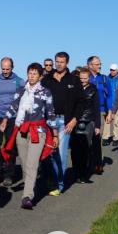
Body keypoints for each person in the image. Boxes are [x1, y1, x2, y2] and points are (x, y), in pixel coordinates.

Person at [0, 63, 58, 210]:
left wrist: (55, 134)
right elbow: (13, 106)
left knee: (32, 164)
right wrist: (5, 120)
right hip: (21, 131)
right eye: (30, 73)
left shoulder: (45, 92)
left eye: (34, 74)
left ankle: (27, 196)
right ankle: (31, 184)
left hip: (38, 132)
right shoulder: (21, 91)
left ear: (40, 76)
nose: (31, 76)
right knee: (26, 165)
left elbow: (51, 114)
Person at [41, 52, 81, 196]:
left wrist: (74, 120)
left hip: (65, 122)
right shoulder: (46, 79)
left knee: (60, 153)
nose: (59, 64)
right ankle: (51, 180)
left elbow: (81, 102)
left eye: (62, 62)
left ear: (67, 63)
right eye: (57, 61)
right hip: (48, 122)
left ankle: (59, 184)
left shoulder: (74, 80)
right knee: (48, 152)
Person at [0, 57, 25, 186]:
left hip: (13, 117)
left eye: (8, 69)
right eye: (3, 69)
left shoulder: (19, 82)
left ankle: (9, 174)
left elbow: (23, 101)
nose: (5, 71)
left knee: (10, 146)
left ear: (12, 67)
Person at [72, 68, 102, 183]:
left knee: (85, 148)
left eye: (85, 78)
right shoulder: (74, 89)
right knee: (75, 149)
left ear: (89, 78)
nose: (83, 80)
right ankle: (76, 172)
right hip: (75, 121)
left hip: (88, 121)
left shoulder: (93, 90)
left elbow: (96, 108)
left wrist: (97, 125)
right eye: (81, 78)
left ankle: (84, 174)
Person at [86, 56, 112, 174]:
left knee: (97, 137)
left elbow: (110, 96)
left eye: (100, 64)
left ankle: (98, 163)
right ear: (90, 65)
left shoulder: (105, 79)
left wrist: (110, 112)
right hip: (86, 112)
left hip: (100, 111)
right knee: (86, 139)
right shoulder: (85, 77)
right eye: (97, 64)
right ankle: (87, 163)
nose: (100, 66)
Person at [102, 63, 118, 147]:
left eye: (113, 70)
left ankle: (116, 138)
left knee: (116, 121)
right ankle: (105, 138)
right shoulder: (107, 79)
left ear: (117, 70)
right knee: (107, 121)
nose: (112, 71)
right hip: (108, 103)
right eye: (111, 70)